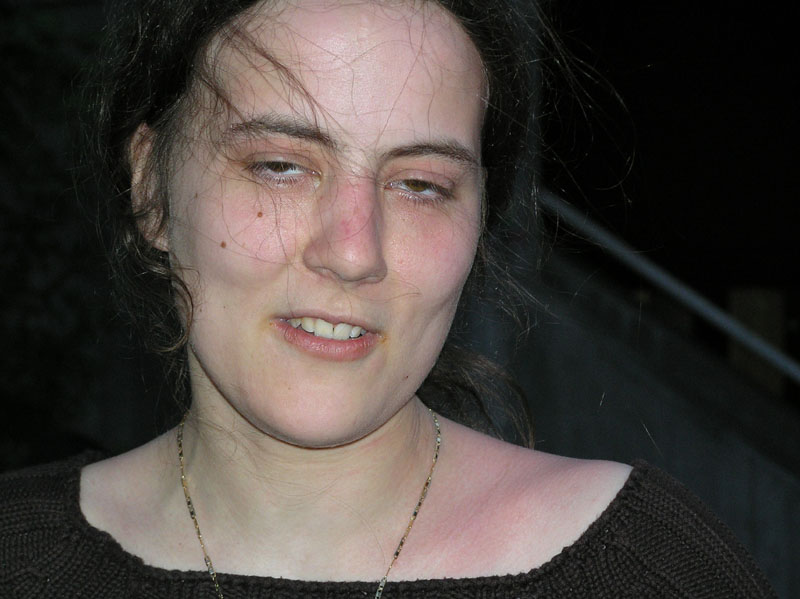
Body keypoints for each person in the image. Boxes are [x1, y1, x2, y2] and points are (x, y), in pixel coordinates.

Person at [0, 0, 776, 597]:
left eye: (420, 184)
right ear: (151, 189)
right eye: (279, 165)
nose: (354, 251)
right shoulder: (18, 557)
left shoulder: (648, 571)